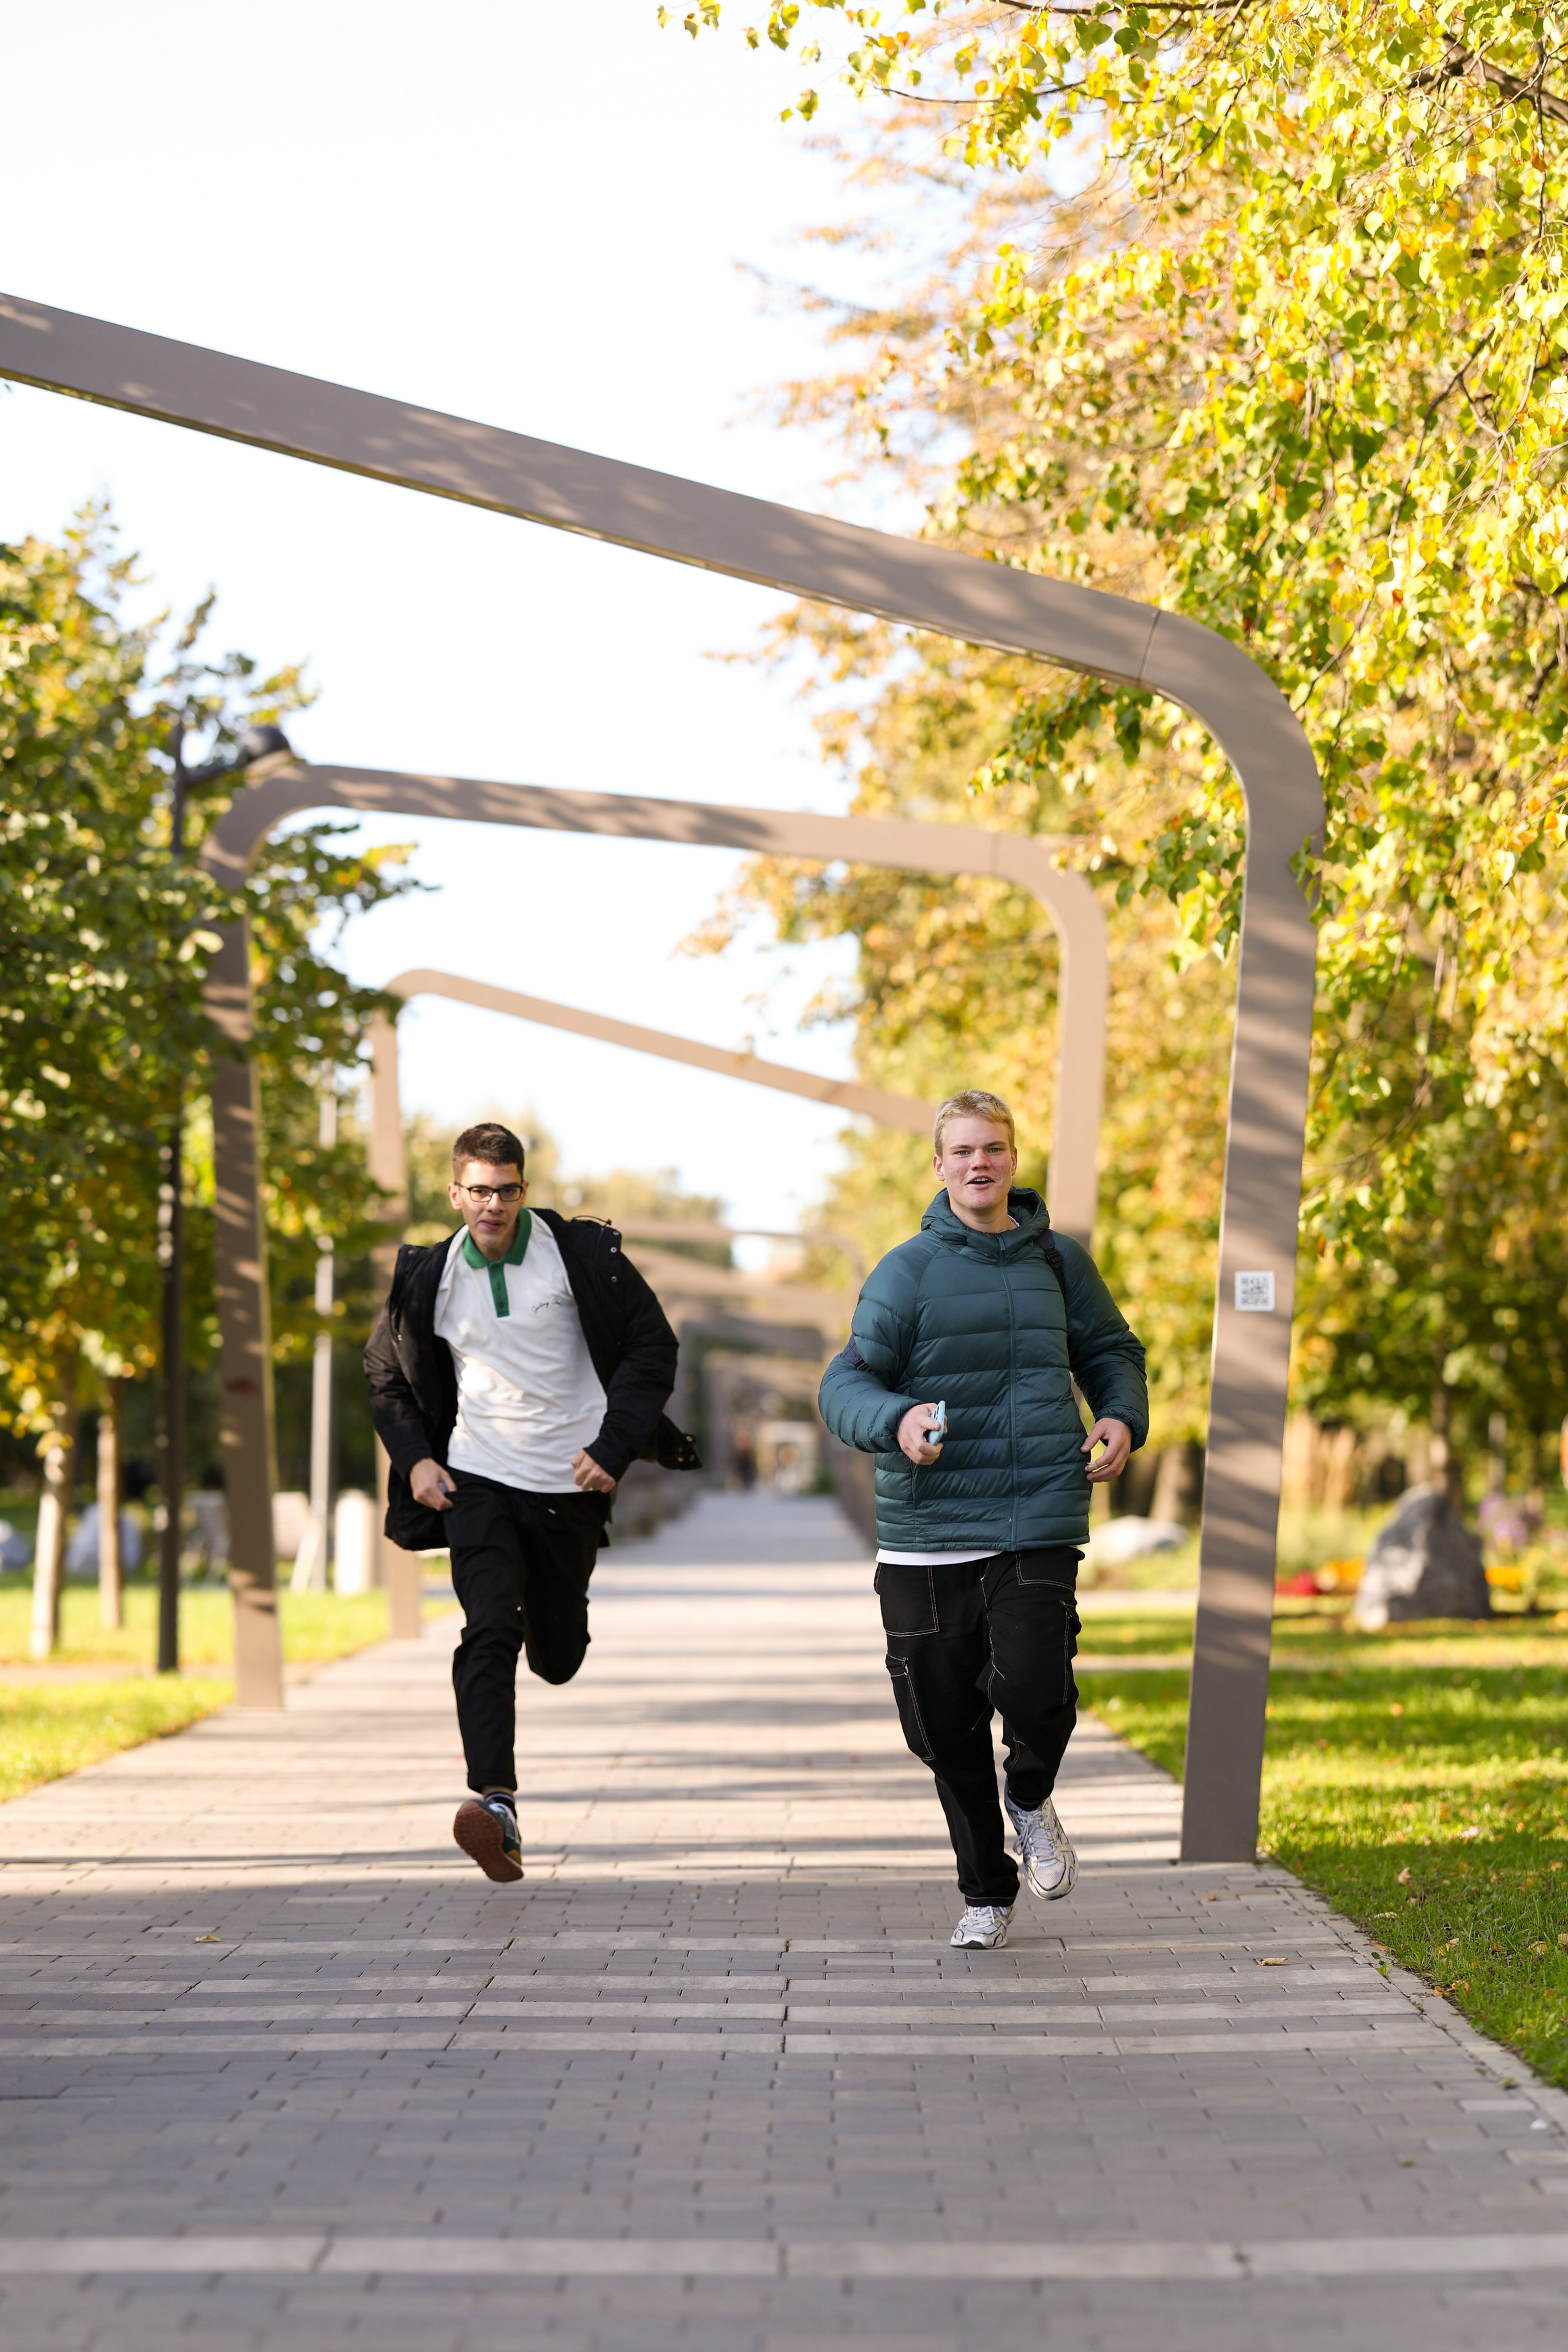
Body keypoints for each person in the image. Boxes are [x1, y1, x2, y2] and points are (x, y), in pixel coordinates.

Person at [819, 1090, 1148, 1950]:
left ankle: (1031, 1799)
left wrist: (1118, 1416)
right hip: (927, 1537)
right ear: (938, 1165)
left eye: (994, 1149)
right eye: (962, 1151)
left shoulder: (1057, 1262)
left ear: (1012, 1158)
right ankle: (985, 1890)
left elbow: (1112, 1351)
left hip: (1037, 1514)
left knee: (1039, 1693)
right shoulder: (906, 1273)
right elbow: (843, 1384)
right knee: (940, 1729)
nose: (979, 1164)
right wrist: (894, 1421)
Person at [365, 1121, 693, 1883]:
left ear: (523, 1190)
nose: (492, 1205)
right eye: (478, 1191)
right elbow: (383, 1371)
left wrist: (612, 1450)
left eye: (506, 1190)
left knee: (557, 1653)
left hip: (568, 1486)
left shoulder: (581, 1257)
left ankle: (561, 1633)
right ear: (455, 1193)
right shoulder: (427, 1274)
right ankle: (496, 1803)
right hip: (476, 1477)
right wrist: (415, 1458)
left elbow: (654, 1347)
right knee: (487, 1627)